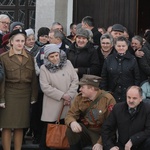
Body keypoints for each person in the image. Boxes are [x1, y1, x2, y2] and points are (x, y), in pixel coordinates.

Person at [0, 29, 38, 150]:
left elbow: (33, 79)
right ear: (11, 42)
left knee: (20, 125)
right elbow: (2, 80)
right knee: (6, 125)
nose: (20, 43)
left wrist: (34, 96)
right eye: (17, 41)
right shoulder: (3, 58)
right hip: (9, 93)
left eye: (22, 41)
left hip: (25, 94)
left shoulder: (30, 57)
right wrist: (1, 98)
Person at [39, 44, 79, 150]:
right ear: (47, 57)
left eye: (56, 55)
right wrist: (62, 95)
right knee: (49, 130)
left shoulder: (68, 63)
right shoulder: (44, 68)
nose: (55, 58)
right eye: (51, 57)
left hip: (69, 102)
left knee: (66, 130)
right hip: (53, 103)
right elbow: (45, 87)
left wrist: (69, 95)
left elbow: (75, 80)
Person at [65, 74, 116, 150]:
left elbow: (111, 124)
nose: (80, 89)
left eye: (82, 87)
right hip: (87, 130)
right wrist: (72, 122)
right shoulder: (79, 98)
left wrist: (100, 143)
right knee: (70, 130)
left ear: (92, 88)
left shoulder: (108, 99)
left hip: (102, 133)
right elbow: (70, 115)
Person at [102, 86, 150, 150]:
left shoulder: (147, 109)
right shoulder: (118, 108)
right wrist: (110, 146)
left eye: (134, 98)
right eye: (129, 97)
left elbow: (148, 130)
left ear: (141, 98)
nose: (131, 100)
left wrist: (133, 140)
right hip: (122, 146)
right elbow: (107, 128)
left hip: (142, 145)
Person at [101, 36, 140, 103]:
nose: (121, 48)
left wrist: (134, 92)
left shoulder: (132, 59)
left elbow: (137, 77)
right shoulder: (109, 59)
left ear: (127, 46)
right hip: (112, 93)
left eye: (123, 46)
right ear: (115, 46)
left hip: (127, 94)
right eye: (119, 46)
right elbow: (104, 77)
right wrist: (104, 92)